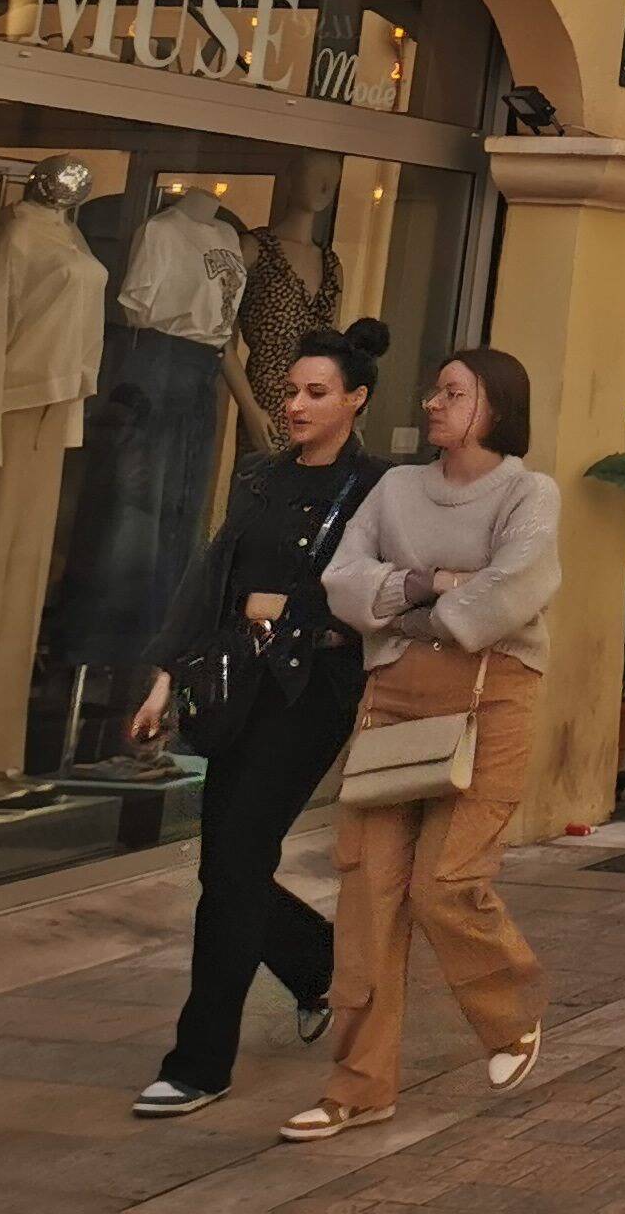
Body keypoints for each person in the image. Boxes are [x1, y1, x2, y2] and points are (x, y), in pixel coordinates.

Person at [122, 320, 394, 1118]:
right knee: (225, 865)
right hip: (238, 682)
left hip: (314, 690)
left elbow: (386, 584)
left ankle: (200, 1062)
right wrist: (163, 679)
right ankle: (317, 968)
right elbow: (212, 580)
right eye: (290, 392)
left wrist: (324, 618)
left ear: (356, 399)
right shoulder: (258, 477)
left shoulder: (380, 487)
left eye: (317, 393)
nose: (297, 406)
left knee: (236, 859)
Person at [288, 348, 560, 1140]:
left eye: (453, 393)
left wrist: (408, 601)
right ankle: (359, 1085)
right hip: (394, 698)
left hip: (493, 698)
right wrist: (428, 586)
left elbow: (511, 591)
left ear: (497, 408)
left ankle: (510, 1017)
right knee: (367, 902)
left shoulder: (527, 492)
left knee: (446, 884)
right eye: (435, 390)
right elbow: (343, 580)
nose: (433, 403)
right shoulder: (395, 487)